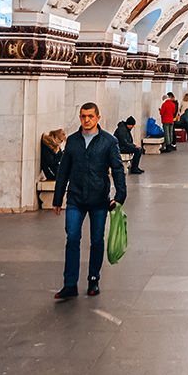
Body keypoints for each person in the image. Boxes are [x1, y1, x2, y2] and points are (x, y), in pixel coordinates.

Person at [52, 103, 127, 299]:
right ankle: (70, 284)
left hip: (99, 199)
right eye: (83, 116)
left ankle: (93, 278)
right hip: (76, 198)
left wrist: (120, 196)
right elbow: (63, 171)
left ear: (98, 117)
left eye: (90, 116)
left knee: (97, 241)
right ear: (80, 117)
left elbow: (117, 169)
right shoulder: (72, 141)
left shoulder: (109, 142)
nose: (87, 120)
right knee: (72, 239)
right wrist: (58, 198)